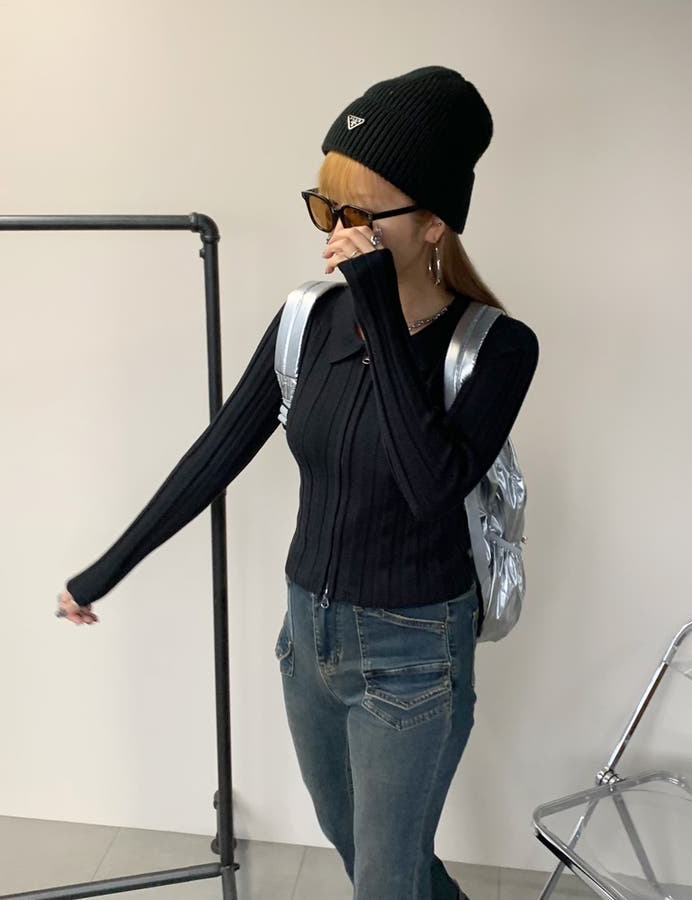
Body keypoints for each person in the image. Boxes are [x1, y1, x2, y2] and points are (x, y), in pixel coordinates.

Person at [57, 66, 538, 900]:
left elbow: (431, 487)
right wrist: (104, 570)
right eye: (329, 209)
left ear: (433, 222)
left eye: (362, 215)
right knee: (368, 853)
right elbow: (218, 452)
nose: (339, 235)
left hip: (415, 653)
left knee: (384, 882)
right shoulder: (306, 318)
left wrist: (379, 310)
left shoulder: (498, 347)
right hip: (307, 637)